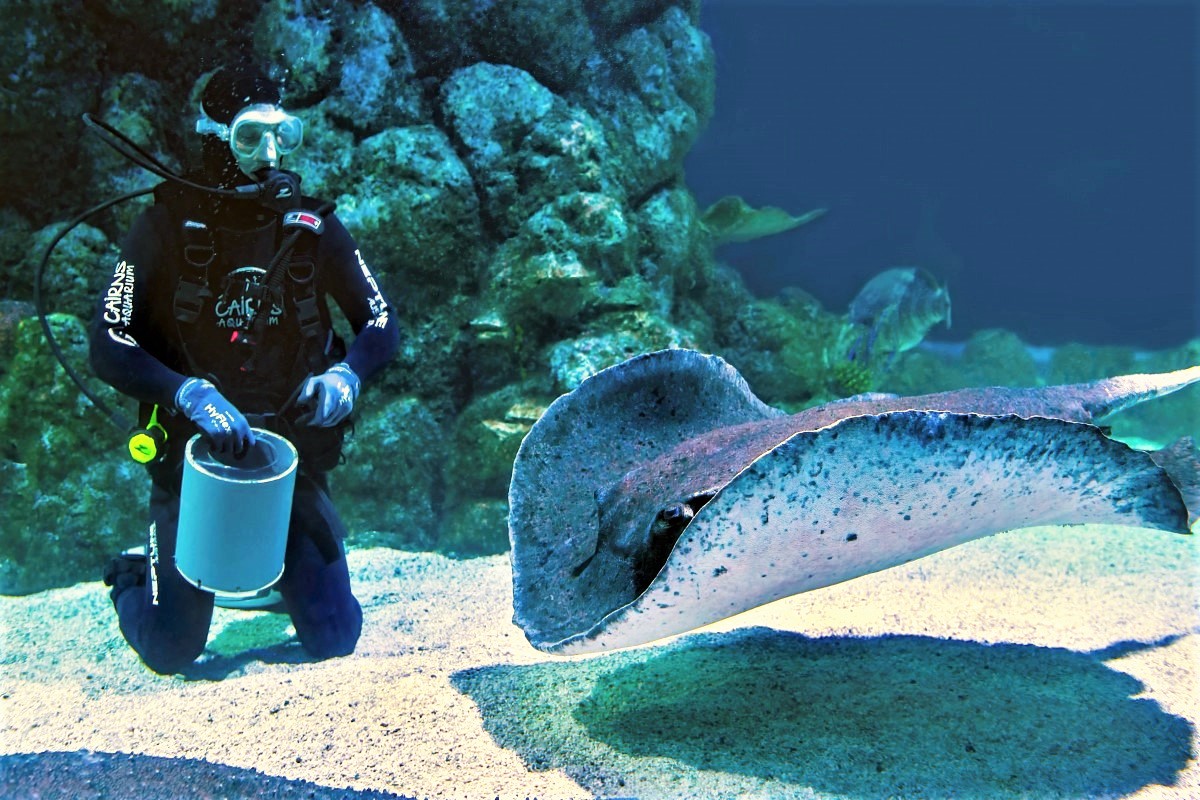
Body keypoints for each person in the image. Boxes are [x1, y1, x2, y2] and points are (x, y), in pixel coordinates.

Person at [91, 63, 399, 674]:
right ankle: (132, 573)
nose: (271, 154)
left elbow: (382, 322)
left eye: (284, 133)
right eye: (250, 135)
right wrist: (185, 394)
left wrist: (347, 378)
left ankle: (277, 577)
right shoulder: (163, 228)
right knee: (172, 650)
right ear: (212, 137)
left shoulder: (313, 227)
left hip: (291, 461)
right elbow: (109, 342)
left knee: (337, 636)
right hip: (192, 465)